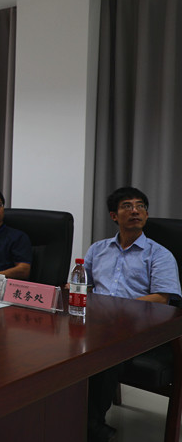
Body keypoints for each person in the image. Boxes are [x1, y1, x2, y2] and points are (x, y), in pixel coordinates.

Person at [84, 187, 180, 442]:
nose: (135, 211)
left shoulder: (160, 254)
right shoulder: (98, 249)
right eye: (127, 206)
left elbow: (162, 299)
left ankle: (92, 428)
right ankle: (60, 416)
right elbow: (84, 286)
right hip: (98, 323)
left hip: (140, 328)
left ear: (146, 215)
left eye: (140, 206)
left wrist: (114, 309)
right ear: (114, 216)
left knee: (104, 353)